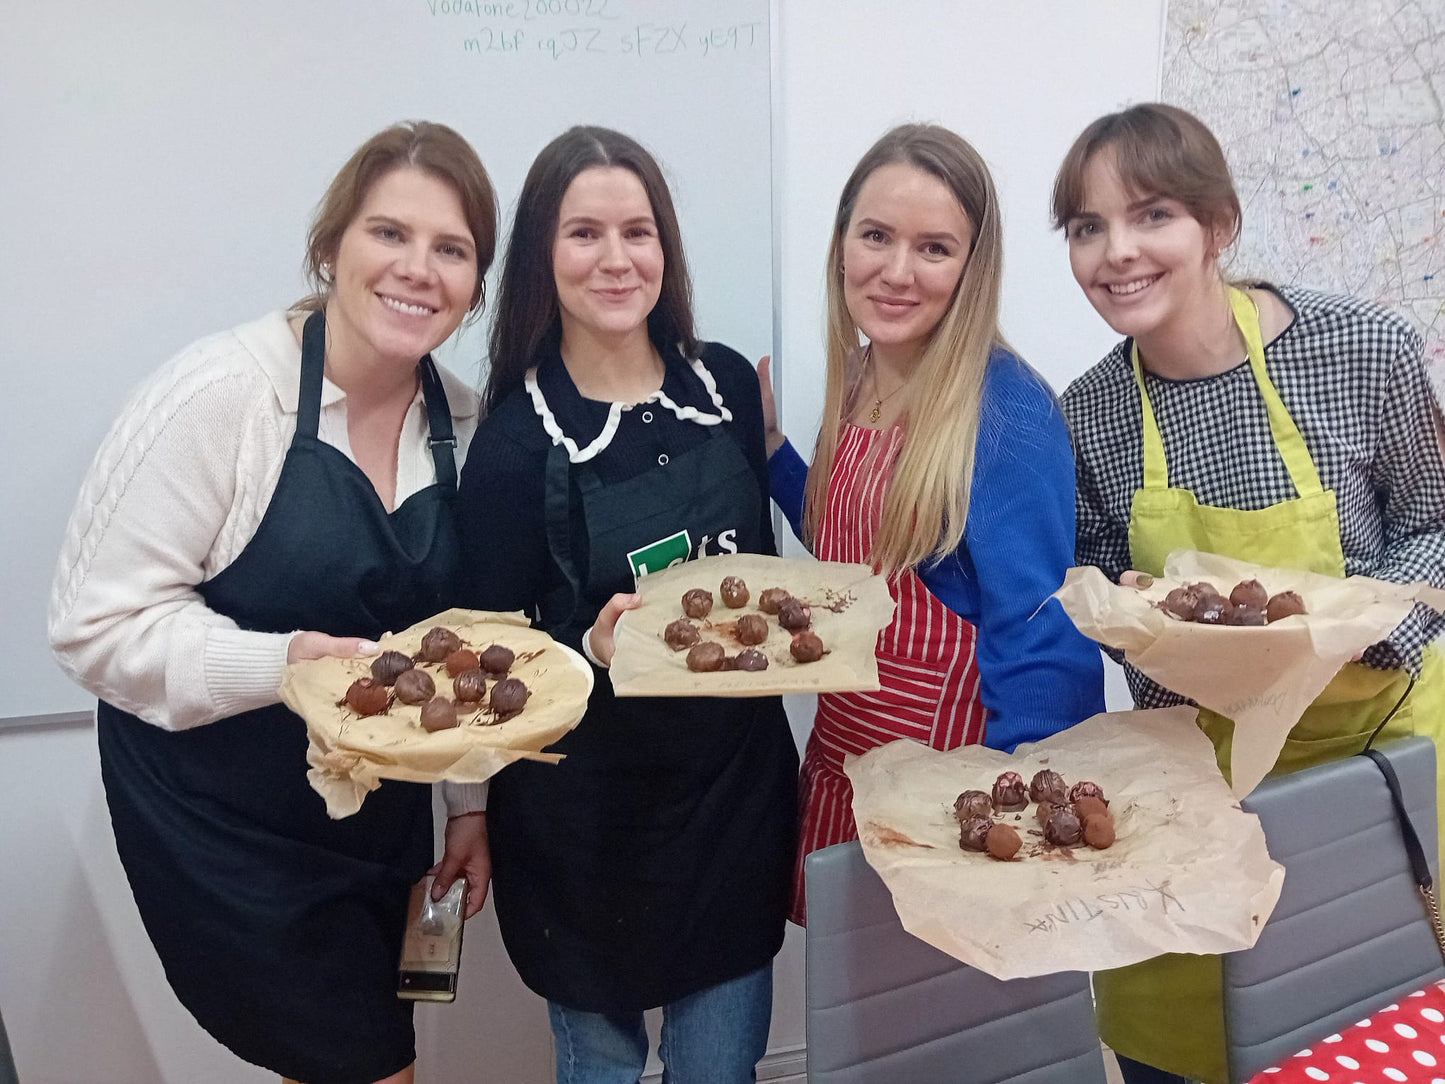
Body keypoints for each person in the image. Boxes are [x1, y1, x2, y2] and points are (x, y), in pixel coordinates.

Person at [48, 121, 497, 1084]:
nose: (417, 269)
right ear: (330, 244)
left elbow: (456, 644)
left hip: (374, 819)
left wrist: (466, 805)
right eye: (389, 234)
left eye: (451, 250)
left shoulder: (462, 421)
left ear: (477, 283)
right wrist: (286, 663)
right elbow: (93, 627)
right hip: (227, 820)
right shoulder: (221, 398)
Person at [1053, 102, 1445, 1084]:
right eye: (1086, 226)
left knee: (1376, 1037)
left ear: (1217, 226)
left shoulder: (1359, 351)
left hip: (1383, 758)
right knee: (1179, 1037)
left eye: (1150, 216)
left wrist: (1364, 631)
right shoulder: (1087, 410)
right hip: (1204, 780)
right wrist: (1142, 625)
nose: (1115, 252)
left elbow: (1435, 522)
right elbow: (1096, 574)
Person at [436, 126, 797, 1084]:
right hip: (582, 825)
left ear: (665, 248)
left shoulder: (721, 384)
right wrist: (585, 648)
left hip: (731, 799)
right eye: (583, 233)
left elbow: (758, 575)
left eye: (636, 231)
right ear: (541, 259)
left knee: (721, 1069)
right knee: (598, 1064)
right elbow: (483, 660)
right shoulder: (514, 446)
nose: (615, 259)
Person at [759, 123, 1106, 924]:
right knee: (859, 1035)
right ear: (841, 242)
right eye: (875, 236)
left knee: (940, 1041)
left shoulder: (1006, 411)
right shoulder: (858, 376)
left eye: (934, 248)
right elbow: (868, 561)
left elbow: (1041, 634)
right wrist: (777, 457)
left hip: (956, 792)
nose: (896, 271)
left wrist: (1015, 831)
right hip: (849, 759)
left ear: (973, 267)